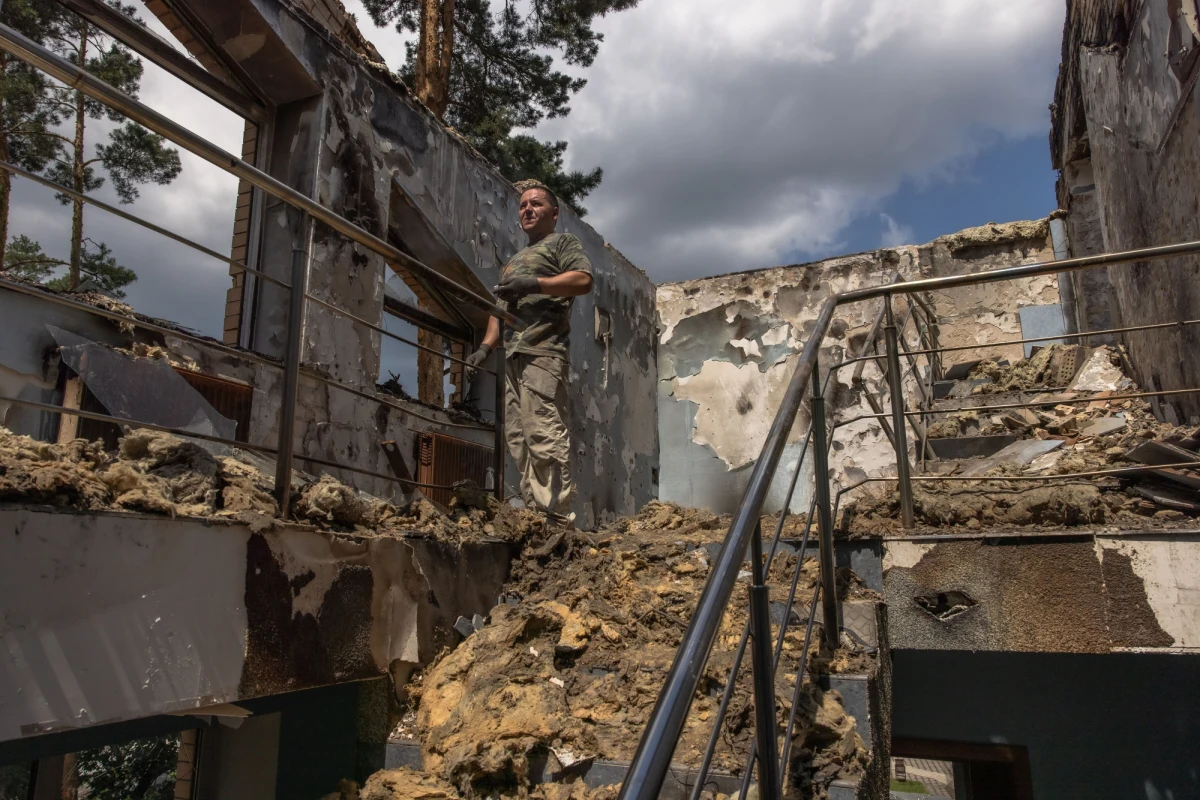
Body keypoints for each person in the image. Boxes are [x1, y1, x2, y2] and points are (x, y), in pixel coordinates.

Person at [465, 180, 593, 521]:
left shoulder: (562, 243)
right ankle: (537, 516)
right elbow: (499, 310)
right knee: (519, 439)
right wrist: (485, 348)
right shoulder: (513, 262)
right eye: (522, 206)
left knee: (542, 431)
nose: (527, 210)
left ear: (553, 213)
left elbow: (583, 280)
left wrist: (535, 284)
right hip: (513, 354)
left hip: (544, 351)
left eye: (535, 204)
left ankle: (555, 518)